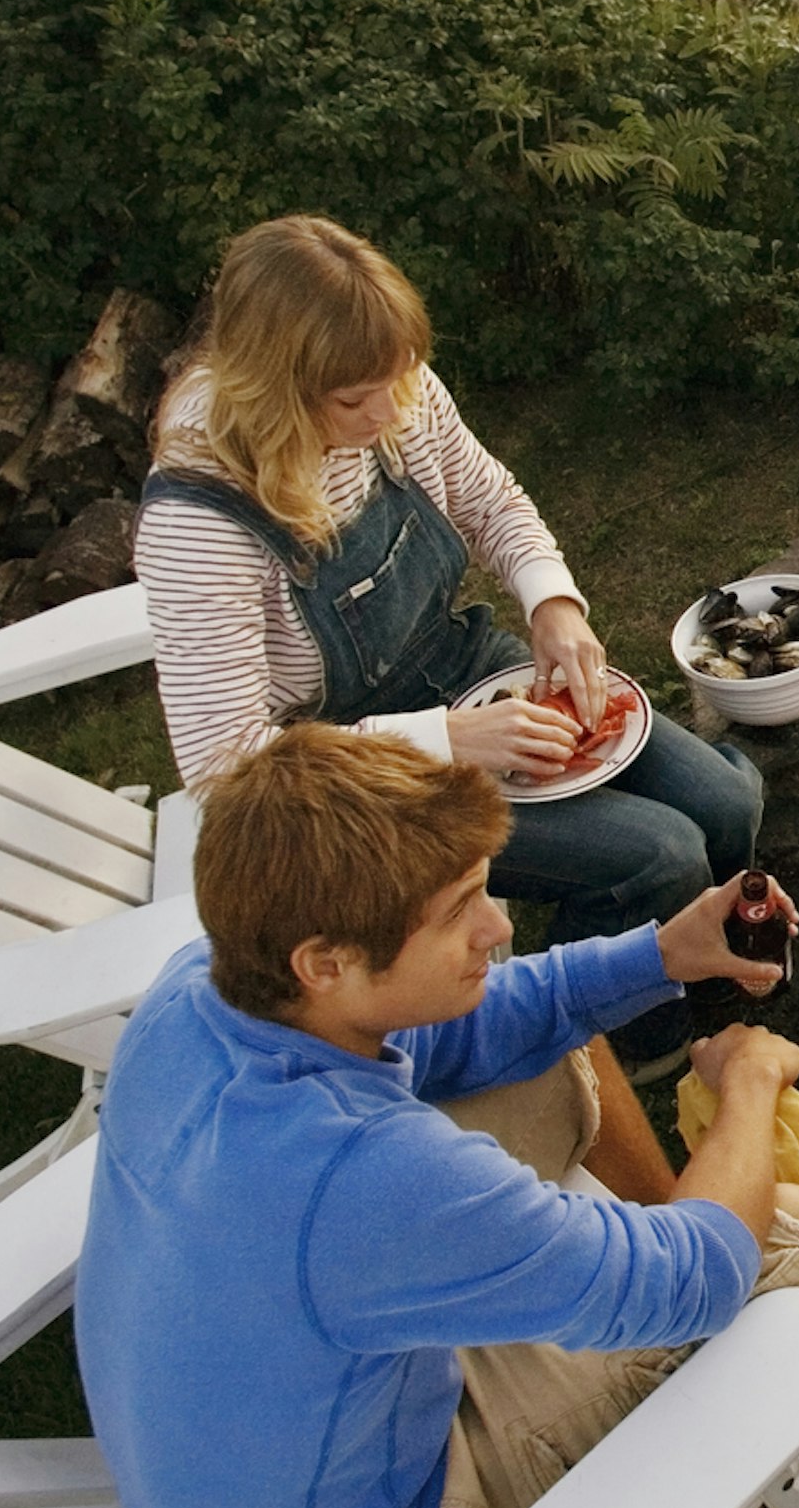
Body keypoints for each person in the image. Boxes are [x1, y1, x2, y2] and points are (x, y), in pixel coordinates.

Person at [76, 725, 799, 1508]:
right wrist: (752, 1082)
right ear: (325, 962)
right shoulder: (366, 1176)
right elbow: (703, 1276)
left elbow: (478, 1025)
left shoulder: (200, 992)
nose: (499, 927)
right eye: (458, 913)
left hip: (263, 1453)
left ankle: (644, 1238)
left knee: (551, 1041)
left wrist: (662, 954)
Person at [136, 213, 764, 1077]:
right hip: (344, 790)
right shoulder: (198, 520)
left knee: (725, 802)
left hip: (460, 667)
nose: (388, 412)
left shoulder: (391, 387)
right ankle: (632, 1048)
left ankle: (717, 952)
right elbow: (226, 768)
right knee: (659, 855)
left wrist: (553, 603)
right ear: (273, 389)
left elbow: (490, 500)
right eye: (354, 401)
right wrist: (445, 740)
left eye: (396, 381)